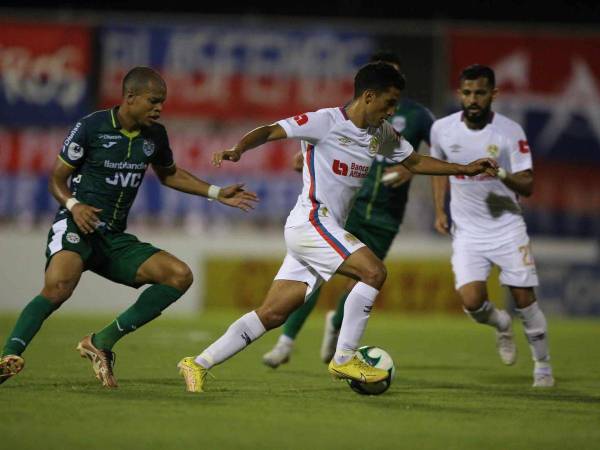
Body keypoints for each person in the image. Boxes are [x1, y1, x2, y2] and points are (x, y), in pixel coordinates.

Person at [177, 61, 498, 393]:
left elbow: (414, 161)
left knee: (272, 314)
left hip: (322, 230)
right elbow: (272, 130)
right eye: (389, 102)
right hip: (311, 221)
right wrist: (238, 148)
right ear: (369, 96)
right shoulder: (325, 121)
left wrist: (465, 168)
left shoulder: (381, 133)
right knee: (374, 272)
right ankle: (344, 358)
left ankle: (197, 363)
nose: (392, 111)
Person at [0, 67, 258, 388]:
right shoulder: (91, 127)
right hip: (78, 226)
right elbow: (57, 179)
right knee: (57, 288)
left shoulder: (155, 136)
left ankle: (101, 341)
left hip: (113, 238)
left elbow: (169, 174)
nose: (159, 108)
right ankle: (8, 356)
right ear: (130, 97)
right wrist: (74, 206)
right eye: (153, 101)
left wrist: (217, 193)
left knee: (179, 276)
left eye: (162, 102)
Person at [262, 51, 435, 368]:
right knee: (321, 273)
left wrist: (415, 171)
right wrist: (311, 157)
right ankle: (288, 342)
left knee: (363, 279)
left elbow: (426, 156)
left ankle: (336, 332)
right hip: (351, 208)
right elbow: (329, 141)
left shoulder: (416, 117)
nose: (390, 101)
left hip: (387, 214)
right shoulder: (352, 117)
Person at [430, 64, 554, 387]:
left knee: (525, 300)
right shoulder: (442, 130)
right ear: (460, 93)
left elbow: (527, 185)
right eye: (467, 93)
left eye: (480, 93)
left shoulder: (510, 132)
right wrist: (439, 211)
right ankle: (500, 322)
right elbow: (439, 169)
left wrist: (499, 173)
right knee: (471, 302)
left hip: (507, 227)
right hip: (467, 232)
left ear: (493, 94)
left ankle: (542, 367)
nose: (473, 99)